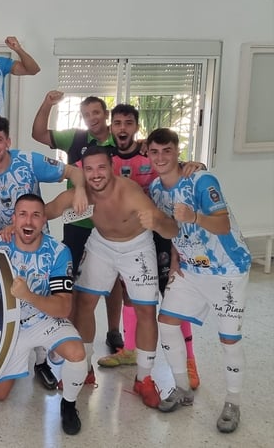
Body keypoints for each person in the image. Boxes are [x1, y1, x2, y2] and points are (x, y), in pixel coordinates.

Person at [45, 146, 178, 409]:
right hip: (101, 244)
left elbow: (170, 228)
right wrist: (13, 226)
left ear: (112, 167)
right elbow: (47, 210)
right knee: (84, 302)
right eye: (89, 169)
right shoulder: (80, 193)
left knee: (145, 310)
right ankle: (84, 368)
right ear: (83, 171)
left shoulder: (130, 192)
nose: (96, 174)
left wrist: (157, 223)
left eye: (101, 168)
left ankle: (144, 378)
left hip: (137, 246)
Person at [0, 114, 87, 390]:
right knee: (8, 301)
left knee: (41, 294)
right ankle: (8, 350)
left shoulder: (29, 161)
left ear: (8, 141)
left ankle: (44, 358)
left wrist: (79, 189)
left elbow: (75, 172)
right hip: (2, 247)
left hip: (34, 242)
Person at [146, 128, 251, 433]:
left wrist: (194, 217)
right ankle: (182, 388)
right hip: (190, 270)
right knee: (167, 323)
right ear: (148, 154)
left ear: (177, 151)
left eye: (167, 151)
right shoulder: (155, 188)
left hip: (227, 269)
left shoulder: (202, 180)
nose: (161, 157)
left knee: (229, 339)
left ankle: (233, 402)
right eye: (154, 152)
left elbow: (223, 224)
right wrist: (175, 258)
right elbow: (172, 229)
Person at [97, 105, 203, 392]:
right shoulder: (106, 157)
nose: (122, 128)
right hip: (132, 240)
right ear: (111, 126)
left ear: (136, 126)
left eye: (128, 123)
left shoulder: (149, 152)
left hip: (165, 238)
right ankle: (131, 350)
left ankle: (190, 360)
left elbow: (175, 166)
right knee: (133, 295)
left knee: (173, 299)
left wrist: (196, 166)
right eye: (117, 123)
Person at [0, 194, 87, 435]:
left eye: (36, 215)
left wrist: (28, 295)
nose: (29, 221)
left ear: (44, 220)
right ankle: (31, 360)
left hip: (43, 319)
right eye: (23, 215)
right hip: (10, 325)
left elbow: (64, 308)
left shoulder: (59, 252)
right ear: (14, 219)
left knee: (77, 353)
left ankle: (68, 405)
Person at [31, 91, 125, 359]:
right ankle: (68, 332)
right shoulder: (75, 137)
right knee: (70, 279)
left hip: (111, 224)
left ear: (105, 114)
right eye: (86, 114)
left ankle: (114, 330)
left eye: (96, 113)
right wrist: (47, 103)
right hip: (78, 222)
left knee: (114, 279)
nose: (91, 118)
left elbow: (151, 155)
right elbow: (38, 133)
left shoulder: (119, 140)